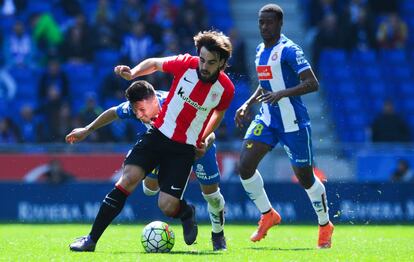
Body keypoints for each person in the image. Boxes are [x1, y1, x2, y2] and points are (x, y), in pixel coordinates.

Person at [68, 30, 234, 252]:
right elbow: (155, 63)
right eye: (202, 59)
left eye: (211, 63)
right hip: (157, 136)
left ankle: (186, 212)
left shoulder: (226, 89)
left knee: (167, 205)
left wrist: (203, 138)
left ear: (222, 62)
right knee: (128, 180)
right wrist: (134, 73)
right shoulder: (186, 64)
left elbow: (218, 115)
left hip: (185, 148)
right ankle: (91, 240)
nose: (204, 66)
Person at [234, 4, 334, 249]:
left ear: (280, 24)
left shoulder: (290, 50)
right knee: (244, 166)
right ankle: (267, 214)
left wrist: (283, 94)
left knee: (305, 177)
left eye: (269, 22)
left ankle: (324, 224)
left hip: (293, 122)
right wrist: (248, 103)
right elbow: (264, 83)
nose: (264, 27)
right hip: (268, 119)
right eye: (261, 22)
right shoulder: (259, 50)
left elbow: (312, 83)